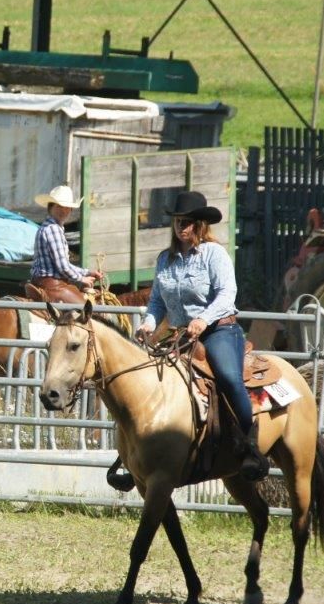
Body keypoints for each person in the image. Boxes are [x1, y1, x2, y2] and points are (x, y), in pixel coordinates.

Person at [135, 190, 268, 481]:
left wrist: (203, 319)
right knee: (148, 380)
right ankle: (132, 455)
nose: (180, 226)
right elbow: (157, 301)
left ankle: (250, 445)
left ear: (199, 224)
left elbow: (227, 293)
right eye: (177, 221)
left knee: (228, 377)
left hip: (219, 330)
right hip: (181, 334)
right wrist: (148, 324)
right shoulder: (165, 259)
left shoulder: (213, 254)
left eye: (187, 222)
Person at [29, 185, 102, 304]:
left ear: (71, 210)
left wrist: (87, 272)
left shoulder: (49, 227)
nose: (63, 211)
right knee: (88, 309)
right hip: (53, 286)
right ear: (51, 207)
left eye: (67, 207)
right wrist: (82, 278)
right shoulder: (53, 229)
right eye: (59, 206)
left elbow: (64, 265)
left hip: (48, 282)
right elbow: (62, 266)